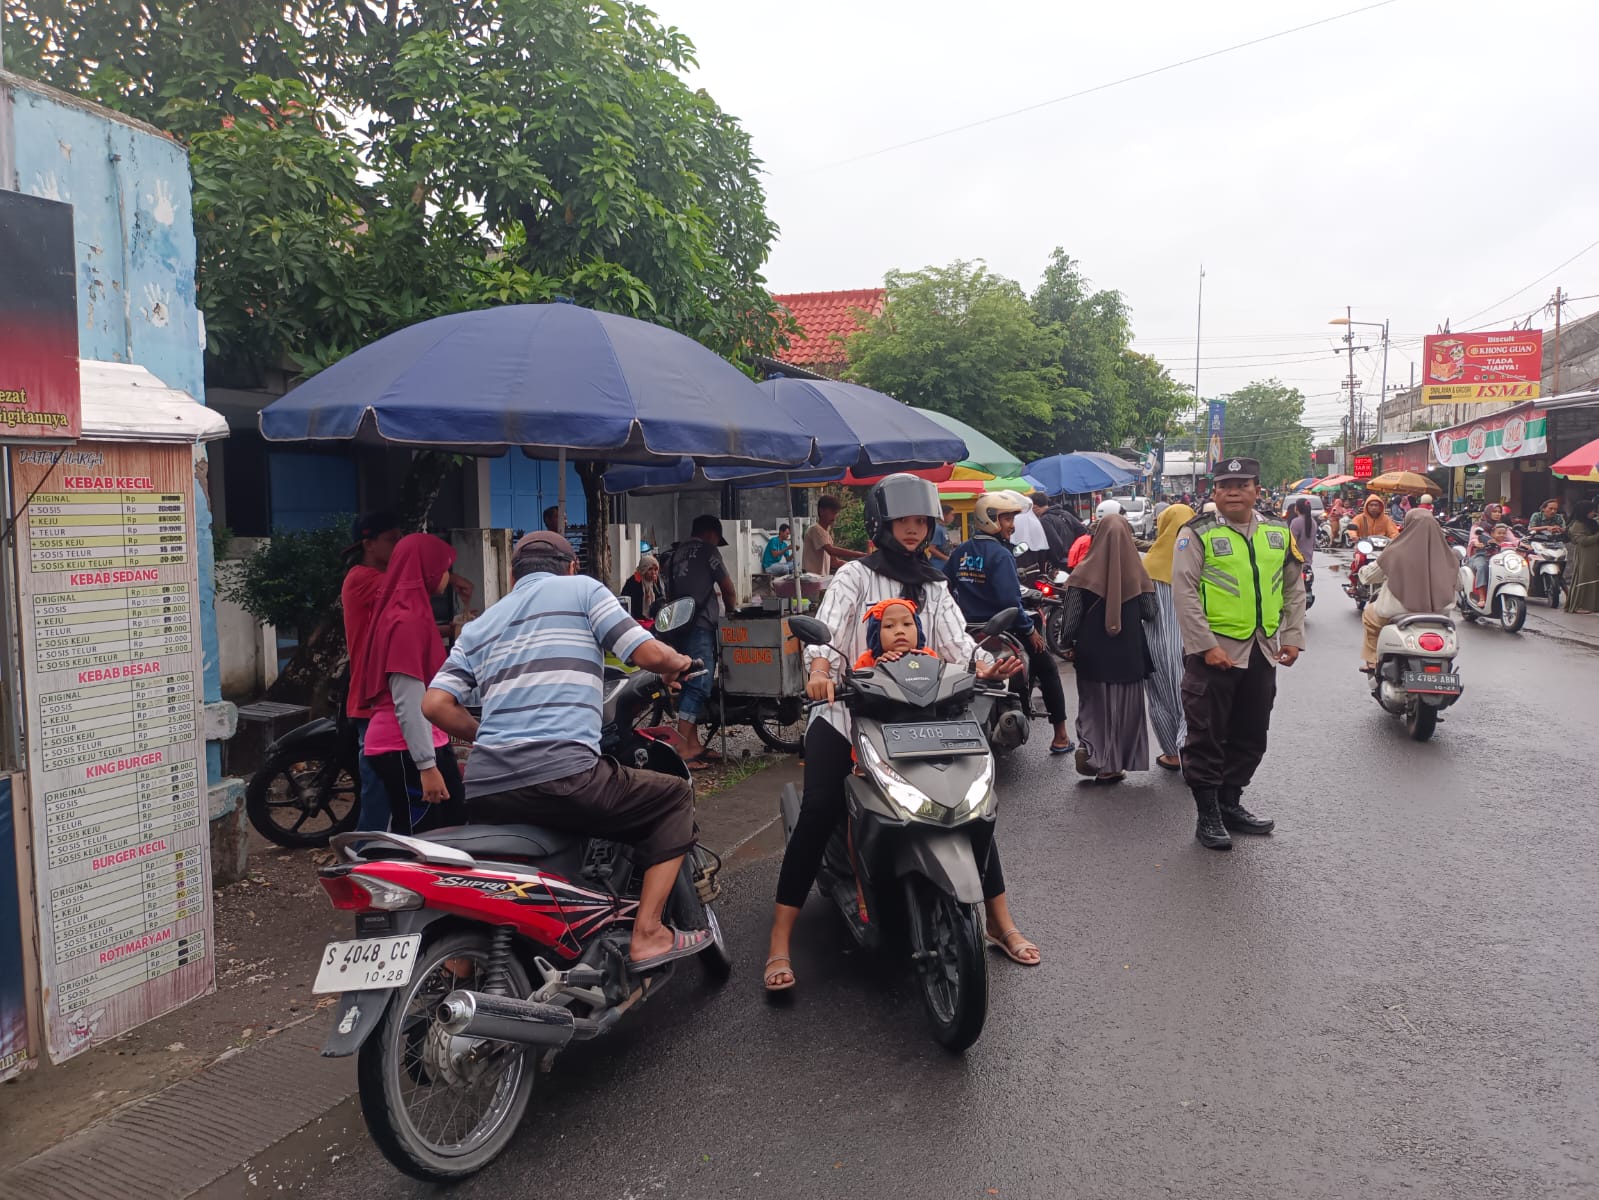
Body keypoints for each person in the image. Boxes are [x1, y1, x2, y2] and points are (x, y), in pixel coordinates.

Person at [763, 474, 1032, 993]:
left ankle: (999, 922)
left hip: (920, 719)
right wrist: (819, 673)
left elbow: (958, 645)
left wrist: (989, 665)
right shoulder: (854, 578)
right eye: (902, 521)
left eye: (920, 522)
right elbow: (827, 632)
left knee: (970, 805)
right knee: (819, 808)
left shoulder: (934, 583)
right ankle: (779, 940)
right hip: (847, 715)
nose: (912, 531)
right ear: (881, 524)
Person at [422, 531, 710, 970]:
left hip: (485, 790)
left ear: (513, 574)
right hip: (563, 775)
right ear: (572, 566)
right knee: (672, 797)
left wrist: (486, 734)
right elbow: (647, 653)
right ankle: (648, 933)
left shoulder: (481, 624)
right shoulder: (583, 590)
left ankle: (465, 963)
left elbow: (435, 704)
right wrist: (680, 663)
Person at [1171, 457, 1305, 851]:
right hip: (1214, 654)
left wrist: (1292, 637)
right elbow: (1184, 592)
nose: (1233, 491)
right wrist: (1205, 646)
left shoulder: (1278, 532)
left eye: (1241, 484)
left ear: (1256, 490)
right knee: (1206, 736)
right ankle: (1208, 813)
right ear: (1214, 491)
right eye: (1225, 484)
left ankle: (1231, 803)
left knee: (1251, 735)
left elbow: (1294, 588)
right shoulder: (1196, 533)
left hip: (1261, 652)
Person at [355, 534, 469, 835]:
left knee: (451, 826)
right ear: (428, 568)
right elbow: (407, 697)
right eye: (444, 568)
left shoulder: (409, 611)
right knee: (423, 838)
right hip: (404, 747)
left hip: (418, 742)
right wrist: (426, 766)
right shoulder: (405, 619)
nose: (446, 575)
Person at [945, 490, 1074, 755]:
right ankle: (1060, 736)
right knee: (1048, 668)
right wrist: (1030, 631)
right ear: (989, 518)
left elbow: (944, 586)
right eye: (1005, 518)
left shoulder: (961, 552)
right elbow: (1010, 601)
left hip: (968, 631)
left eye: (1011, 518)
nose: (1011, 524)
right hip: (1006, 628)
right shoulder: (1000, 555)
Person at [1056, 513, 1155, 782]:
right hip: (1129, 654)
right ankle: (1114, 764)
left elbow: (1072, 619)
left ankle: (1093, 750)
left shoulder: (1083, 572)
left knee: (1095, 706)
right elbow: (1150, 612)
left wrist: (1066, 644)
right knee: (1125, 710)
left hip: (1093, 654)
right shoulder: (1138, 572)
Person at [342, 511, 404, 832]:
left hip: (396, 698)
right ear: (368, 544)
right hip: (372, 701)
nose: (399, 546)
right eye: (392, 540)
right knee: (378, 788)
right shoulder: (362, 579)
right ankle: (368, 857)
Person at [665, 515, 738, 768]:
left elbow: (669, 594)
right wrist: (732, 612)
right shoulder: (708, 551)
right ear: (711, 534)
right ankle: (683, 748)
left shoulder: (674, 554)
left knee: (688, 682)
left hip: (679, 627)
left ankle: (693, 744)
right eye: (717, 539)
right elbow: (728, 589)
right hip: (701, 626)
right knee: (699, 683)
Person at [1357, 510, 1457, 670]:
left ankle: (1372, 661)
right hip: (1440, 616)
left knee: (1369, 615)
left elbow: (1369, 576)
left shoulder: (1396, 551)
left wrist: (1361, 571)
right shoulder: (1449, 555)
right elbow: (1458, 584)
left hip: (1396, 613)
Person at [1141, 502, 1196, 771]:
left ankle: (1172, 754)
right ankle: (1191, 750)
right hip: (1193, 642)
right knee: (1191, 696)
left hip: (1154, 643)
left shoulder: (1147, 562)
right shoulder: (1200, 558)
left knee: (1161, 698)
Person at [851, 597, 935, 669]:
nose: (899, 631)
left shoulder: (929, 656)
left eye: (907, 624)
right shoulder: (866, 662)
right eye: (889, 626)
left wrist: (929, 666)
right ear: (876, 634)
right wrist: (876, 670)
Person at [802, 495, 864, 575]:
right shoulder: (815, 529)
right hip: (811, 580)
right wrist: (859, 554)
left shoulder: (826, 534)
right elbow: (831, 550)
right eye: (832, 513)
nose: (834, 517)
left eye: (835, 513)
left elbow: (834, 562)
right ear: (821, 511)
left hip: (821, 580)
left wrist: (856, 567)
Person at [1564, 504, 1599, 613]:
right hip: (1585, 555)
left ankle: (1592, 605)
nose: (1593, 513)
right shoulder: (1577, 525)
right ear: (1584, 511)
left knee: (1594, 577)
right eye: (1591, 511)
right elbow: (1582, 541)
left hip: (1594, 553)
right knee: (1584, 577)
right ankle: (1578, 606)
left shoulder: (1590, 523)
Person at [1036, 493, 1087, 566]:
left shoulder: (1045, 520)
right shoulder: (1065, 513)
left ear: (1035, 507)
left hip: (1062, 564)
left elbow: (1055, 542)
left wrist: (1059, 561)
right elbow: (1082, 531)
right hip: (1076, 559)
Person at [620, 553, 664, 620]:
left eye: (655, 569)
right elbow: (626, 605)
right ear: (643, 569)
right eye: (650, 569)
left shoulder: (657, 582)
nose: (653, 572)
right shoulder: (633, 582)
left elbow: (662, 600)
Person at [1011, 492, 1049, 566]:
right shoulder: (1035, 521)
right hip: (1035, 564)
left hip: (1018, 561)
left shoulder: (1015, 518)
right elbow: (1042, 546)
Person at [1288, 498, 1317, 567]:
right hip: (1308, 562)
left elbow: (1291, 543)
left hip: (1296, 562)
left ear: (1297, 508)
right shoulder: (1313, 522)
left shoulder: (1296, 522)